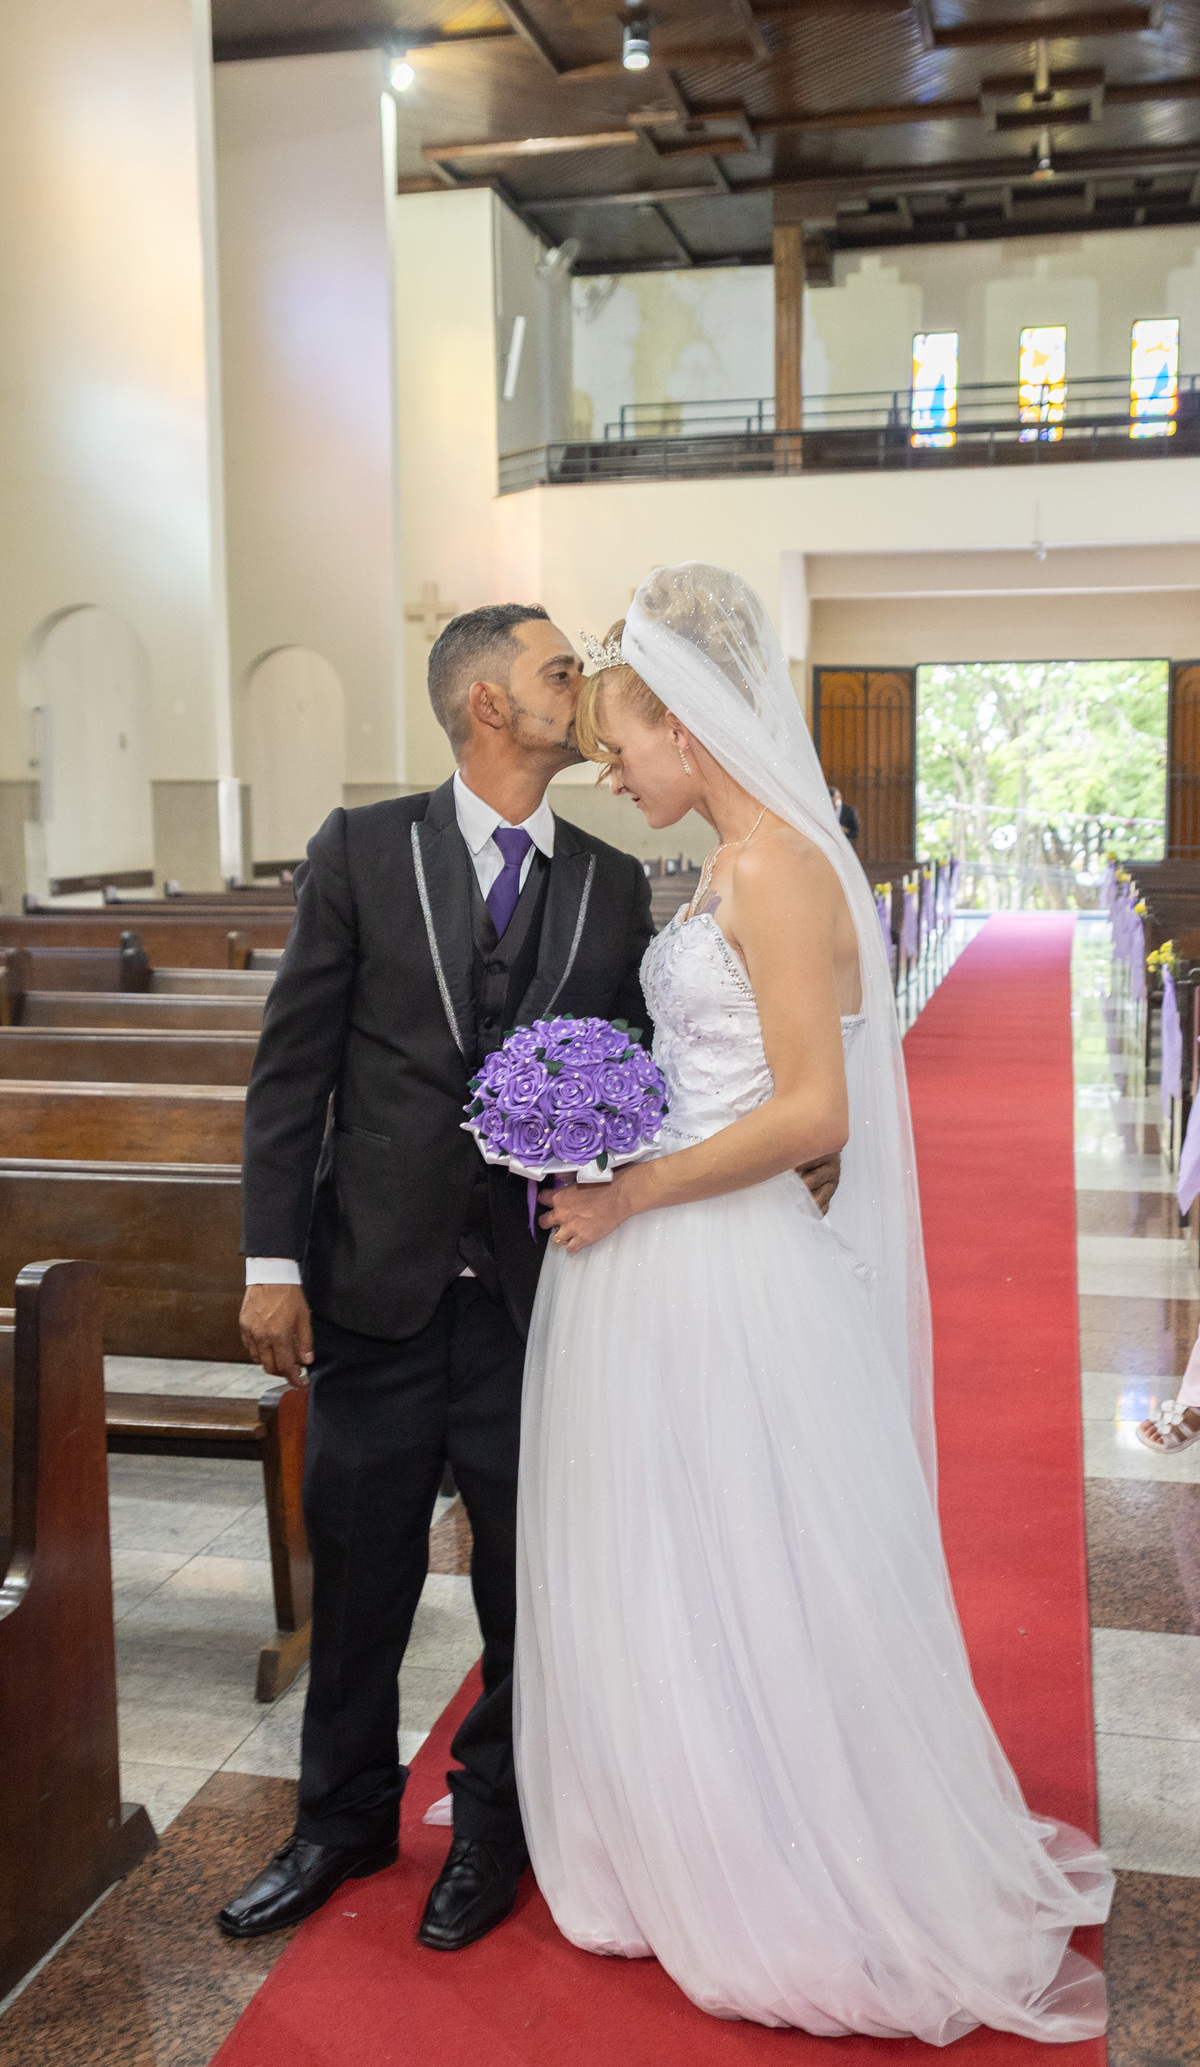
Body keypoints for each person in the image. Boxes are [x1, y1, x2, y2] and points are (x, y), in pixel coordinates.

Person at [515, 565, 1112, 2042]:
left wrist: (631, 1189)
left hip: (717, 1256)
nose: (610, 772)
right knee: (684, 1553)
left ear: (686, 723)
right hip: (668, 1253)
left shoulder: (777, 865)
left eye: (619, 745)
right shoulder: (732, 860)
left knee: (743, 1547)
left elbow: (810, 1113)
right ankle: (689, 1832)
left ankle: (783, 1861)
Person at [217, 601, 841, 1955]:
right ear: (491, 704)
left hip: (540, 1292)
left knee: (527, 1578)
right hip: (374, 1286)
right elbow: (292, 1071)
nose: (588, 686)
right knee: (361, 1571)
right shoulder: (363, 850)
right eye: (563, 670)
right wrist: (273, 1262)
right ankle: (337, 1821)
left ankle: (494, 1829)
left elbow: (655, 1062)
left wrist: (789, 1131)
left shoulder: (613, 882)